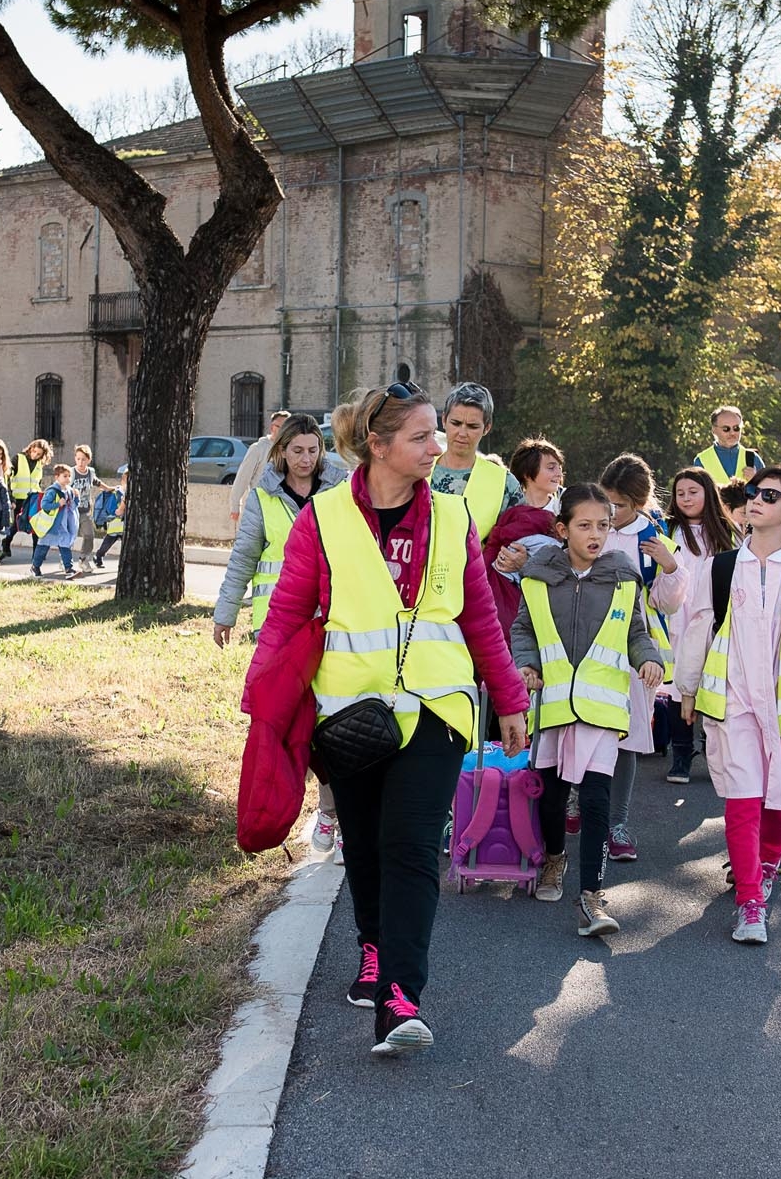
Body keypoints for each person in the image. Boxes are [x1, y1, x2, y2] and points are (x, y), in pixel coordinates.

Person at [245, 382, 529, 1056]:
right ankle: (372, 946)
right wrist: (263, 700)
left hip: (435, 707)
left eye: (438, 434)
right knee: (367, 844)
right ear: (378, 446)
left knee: (409, 844)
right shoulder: (325, 519)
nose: (438, 447)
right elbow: (287, 612)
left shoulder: (455, 517)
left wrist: (510, 696)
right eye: (421, 437)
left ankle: (401, 995)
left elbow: (478, 615)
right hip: (350, 713)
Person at [674, 466, 781, 945]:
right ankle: (751, 903)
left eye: (770, 495)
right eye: (752, 493)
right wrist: (687, 687)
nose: (757, 500)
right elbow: (699, 629)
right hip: (733, 703)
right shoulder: (722, 568)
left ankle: (768, 865)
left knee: (780, 800)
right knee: (743, 800)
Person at [512, 485, 665, 937]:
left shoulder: (622, 575)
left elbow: (636, 630)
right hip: (555, 703)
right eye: (584, 525)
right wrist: (525, 665)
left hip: (602, 707)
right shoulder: (538, 576)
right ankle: (554, 858)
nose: (596, 534)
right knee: (555, 797)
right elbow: (523, 629)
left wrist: (649, 657)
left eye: (603, 524)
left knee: (596, 799)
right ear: (562, 529)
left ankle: (592, 896)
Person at [215, 414, 348, 858]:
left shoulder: (340, 492)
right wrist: (225, 612)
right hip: (277, 630)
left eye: (313, 450)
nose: (306, 459)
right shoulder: (262, 499)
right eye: (297, 451)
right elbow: (243, 558)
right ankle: (311, 805)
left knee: (327, 722)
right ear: (281, 452)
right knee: (287, 721)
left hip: (329, 627)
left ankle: (330, 810)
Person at [591, 453, 683, 863]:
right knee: (585, 725)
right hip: (586, 643)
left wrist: (669, 568)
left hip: (631, 648)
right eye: (607, 502)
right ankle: (578, 800)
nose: (611, 513)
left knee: (626, 735)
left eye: (621, 506)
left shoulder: (655, 538)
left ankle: (618, 822)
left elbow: (666, 603)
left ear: (640, 503)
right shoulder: (589, 522)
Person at [661, 467, 737, 784]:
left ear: (708, 493)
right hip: (678, 620)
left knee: (713, 685)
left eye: (693, 491)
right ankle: (681, 753)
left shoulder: (726, 532)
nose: (686, 498)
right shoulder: (668, 531)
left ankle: (711, 749)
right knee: (682, 686)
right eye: (680, 493)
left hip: (715, 621)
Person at [483, 436, 568, 634]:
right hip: (503, 597)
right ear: (528, 473)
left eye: (559, 467)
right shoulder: (504, 508)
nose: (559, 473)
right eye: (551, 467)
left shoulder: (565, 512)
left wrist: (526, 564)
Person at [432, 382, 522, 540]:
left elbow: (520, 538)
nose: (462, 433)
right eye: (456, 423)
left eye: (472, 426)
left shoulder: (505, 484)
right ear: (444, 420)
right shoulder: (415, 469)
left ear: (487, 428)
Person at [230, 411, 292, 524]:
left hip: (284, 510)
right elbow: (242, 478)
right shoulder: (258, 448)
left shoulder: (292, 450)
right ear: (273, 427)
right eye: (282, 427)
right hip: (260, 509)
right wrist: (235, 505)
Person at [694, 405, 764, 488]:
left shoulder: (753, 458)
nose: (732, 433)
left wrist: (756, 480)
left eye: (736, 428)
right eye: (726, 429)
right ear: (713, 430)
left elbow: (768, 491)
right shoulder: (701, 460)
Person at [29, 464, 79, 577]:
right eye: (65, 476)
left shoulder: (69, 490)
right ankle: (35, 567)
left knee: (65, 546)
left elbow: (74, 506)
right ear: (57, 477)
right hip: (51, 525)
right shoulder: (53, 491)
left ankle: (69, 568)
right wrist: (57, 504)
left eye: (69, 476)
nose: (68, 479)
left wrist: (76, 497)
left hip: (63, 525)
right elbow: (44, 505)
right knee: (43, 547)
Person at [68, 444, 112, 572]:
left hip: (85, 510)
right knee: (70, 536)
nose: (80, 462)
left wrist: (109, 488)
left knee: (89, 535)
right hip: (71, 510)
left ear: (88, 460)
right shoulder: (71, 472)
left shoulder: (90, 472)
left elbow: (97, 482)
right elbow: (64, 486)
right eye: (78, 459)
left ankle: (83, 559)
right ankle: (65, 559)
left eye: (83, 459)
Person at [11, 439, 53, 548]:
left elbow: (37, 482)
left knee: (35, 524)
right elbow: (8, 477)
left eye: (39, 454)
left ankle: (36, 552)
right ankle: (5, 544)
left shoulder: (39, 464)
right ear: (30, 448)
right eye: (34, 451)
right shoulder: (18, 458)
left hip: (34, 498)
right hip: (19, 498)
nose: (35, 455)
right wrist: (11, 497)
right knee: (17, 525)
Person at [91, 469, 126, 571]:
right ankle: (98, 556)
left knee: (111, 542)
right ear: (122, 481)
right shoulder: (118, 492)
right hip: (116, 523)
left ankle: (99, 556)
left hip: (122, 524)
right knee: (107, 543)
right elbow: (111, 508)